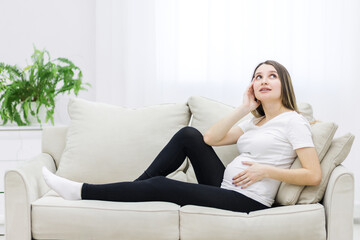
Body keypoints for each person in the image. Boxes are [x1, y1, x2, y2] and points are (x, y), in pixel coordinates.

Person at [42, 60, 321, 214]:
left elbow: (313, 174)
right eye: (258, 76)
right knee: (189, 134)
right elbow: (209, 138)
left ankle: (82, 192)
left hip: (249, 200)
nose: (263, 80)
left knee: (164, 185)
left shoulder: (293, 121)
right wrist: (244, 108)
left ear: (284, 84)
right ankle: (133, 189)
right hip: (225, 187)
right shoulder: (256, 121)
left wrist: (266, 171)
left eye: (272, 76)